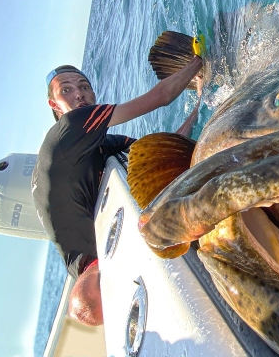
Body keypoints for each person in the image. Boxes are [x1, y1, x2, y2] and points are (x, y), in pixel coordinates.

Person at [32, 56, 203, 326]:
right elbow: (161, 96)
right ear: (54, 105)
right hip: (91, 270)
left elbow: (160, 151)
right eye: (66, 90)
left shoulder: (93, 144)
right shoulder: (70, 127)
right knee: (87, 305)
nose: (79, 94)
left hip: (92, 251)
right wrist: (200, 63)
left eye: (84, 86)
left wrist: (196, 110)